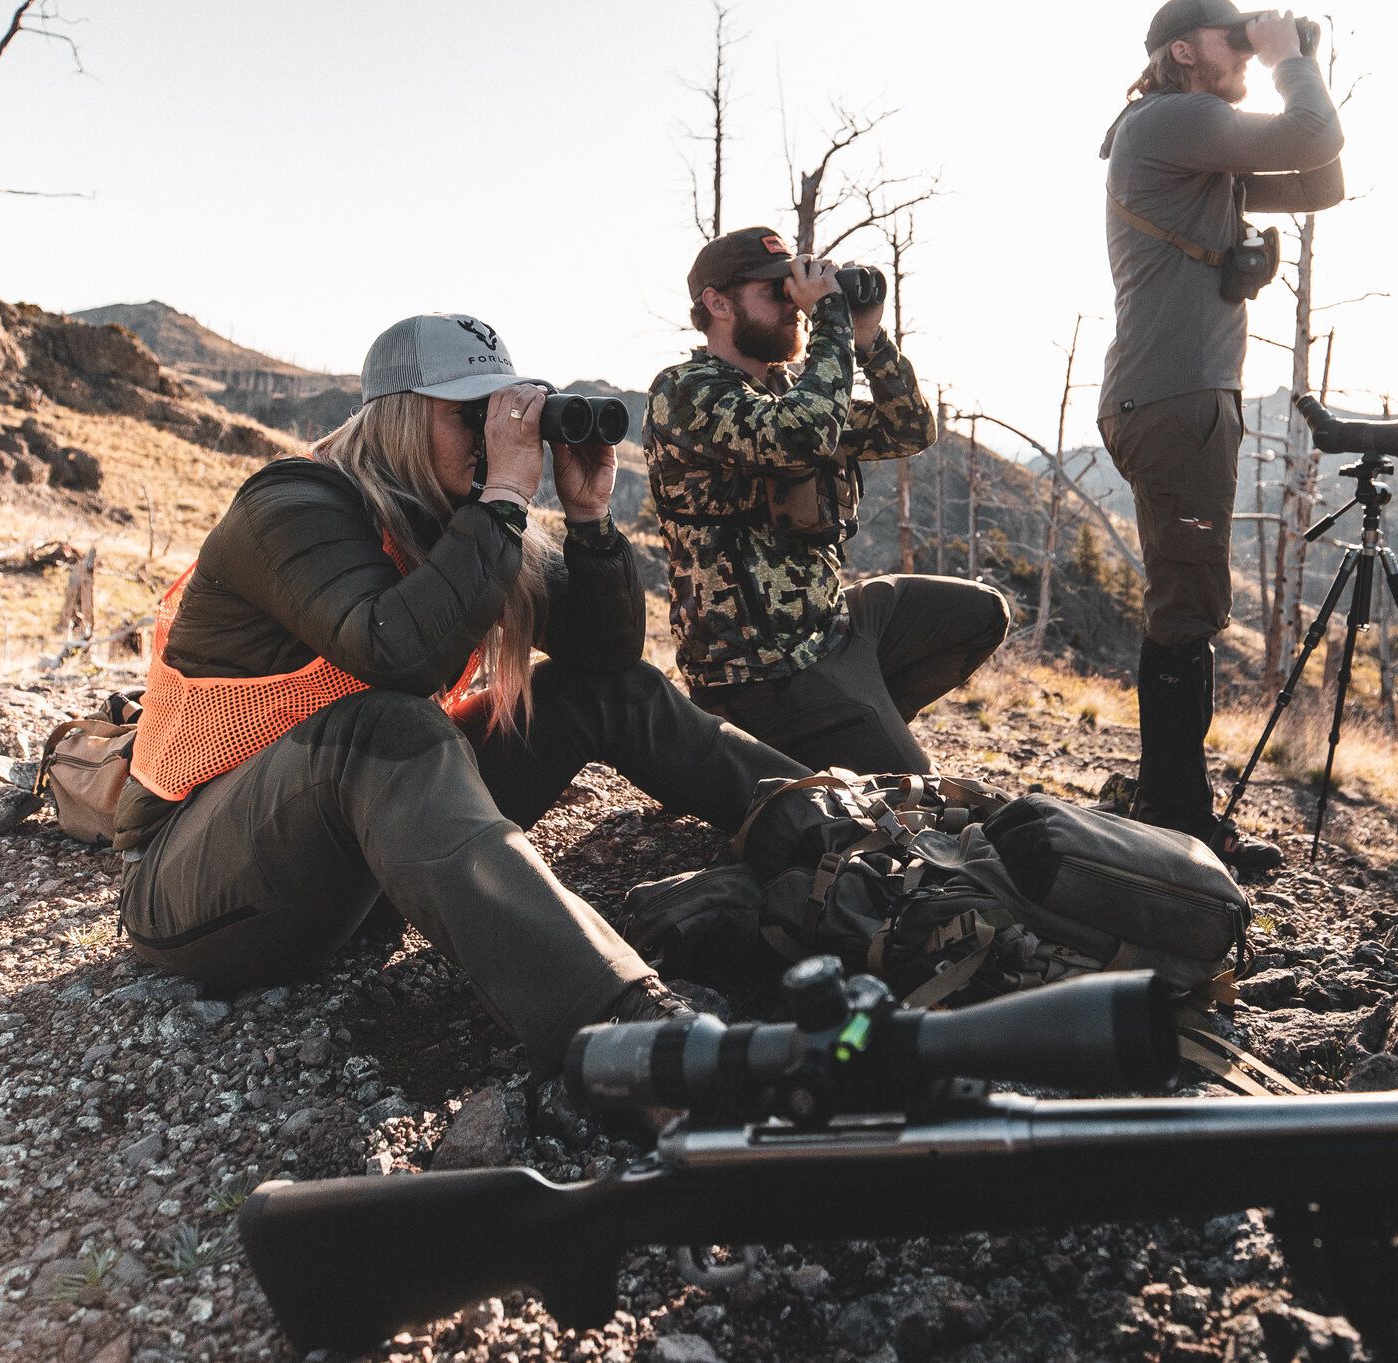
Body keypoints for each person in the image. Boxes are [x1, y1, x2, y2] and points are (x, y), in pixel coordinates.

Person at [113, 312, 804, 1075]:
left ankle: (822, 821)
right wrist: (504, 494)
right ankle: (623, 1028)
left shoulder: (449, 517)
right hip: (198, 878)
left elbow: (606, 655)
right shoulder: (289, 507)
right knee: (387, 724)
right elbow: (395, 653)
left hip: (360, 868)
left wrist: (588, 517)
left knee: (593, 691)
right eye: (468, 414)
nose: (492, 436)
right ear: (402, 417)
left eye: (502, 413)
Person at [1097, 0, 1347, 877]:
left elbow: (1323, 177)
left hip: (1178, 400)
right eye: (1228, 37)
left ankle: (1170, 803)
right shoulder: (1167, 122)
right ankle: (1176, 817)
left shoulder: (1196, 142)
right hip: (1173, 401)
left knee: (1187, 601)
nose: (1241, 48)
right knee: (1189, 608)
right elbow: (1311, 136)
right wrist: (1285, 58)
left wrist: (1303, 60)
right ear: (1181, 54)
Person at [646, 226, 1011, 775]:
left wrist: (869, 339)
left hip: (832, 631)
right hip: (761, 675)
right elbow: (802, 434)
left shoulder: (790, 388)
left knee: (981, 612)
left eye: (796, 287)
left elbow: (910, 428)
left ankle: (858, 724)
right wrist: (832, 320)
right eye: (777, 291)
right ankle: (821, 745)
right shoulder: (686, 391)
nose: (795, 303)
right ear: (717, 303)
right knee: (918, 805)